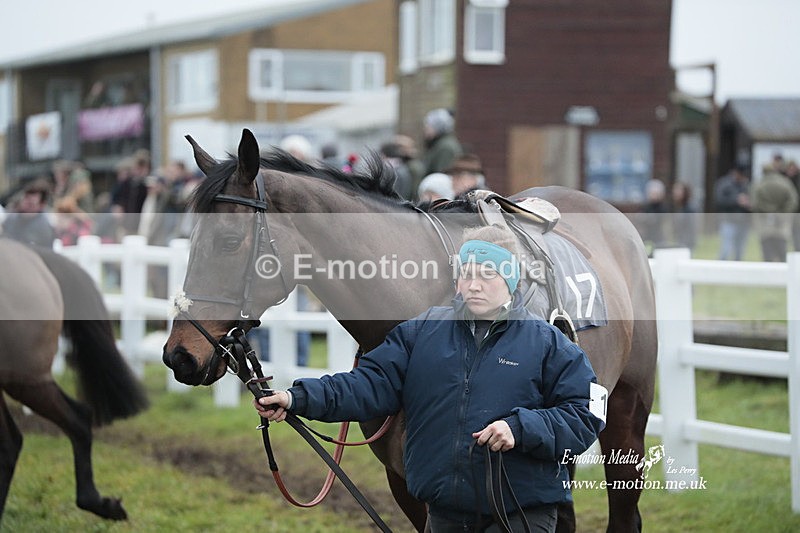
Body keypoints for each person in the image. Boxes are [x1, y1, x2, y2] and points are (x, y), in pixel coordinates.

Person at [255, 225, 604, 532]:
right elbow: (367, 384)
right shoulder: (421, 332)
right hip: (445, 510)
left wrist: (521, 428)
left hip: (521, 511)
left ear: (510, 280)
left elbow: (587, 413)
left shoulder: (548, 343)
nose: (474, 285)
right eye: (467, 274)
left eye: (487, 274)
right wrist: (296, 398)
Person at [750, 164, 799, 262]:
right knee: (782, 254)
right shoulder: (785, 183)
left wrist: (769, 211)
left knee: (767, 255)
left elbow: (755, 202)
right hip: (782, 226)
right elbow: (793, 201)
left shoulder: (759, 184)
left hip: (765, 225)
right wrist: (782, 213)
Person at [2, 179, 56, 248]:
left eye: (31, 205)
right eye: (24, 202)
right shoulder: (11, 219)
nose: (25, 207)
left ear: (41, 205)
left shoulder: (44, 226)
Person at [713, 163, 751, 261]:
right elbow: (719, 200)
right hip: (728, 220)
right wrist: (736, 200)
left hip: (743, 222)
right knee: (726, 250)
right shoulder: (724, 183)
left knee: (740, 252)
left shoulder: (745, 184)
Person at [422, 108, 463, 176]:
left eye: (428, 126)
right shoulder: (438, 144)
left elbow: (441, 176)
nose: (425, 130)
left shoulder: (445, 147)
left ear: (438, 127)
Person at [669, 180, 697, 252]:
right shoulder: (678, 208)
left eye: (678, 190)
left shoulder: (689, 209)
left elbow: (691, 229)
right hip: (679, 241)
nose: (675, 192)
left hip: (686, 244)